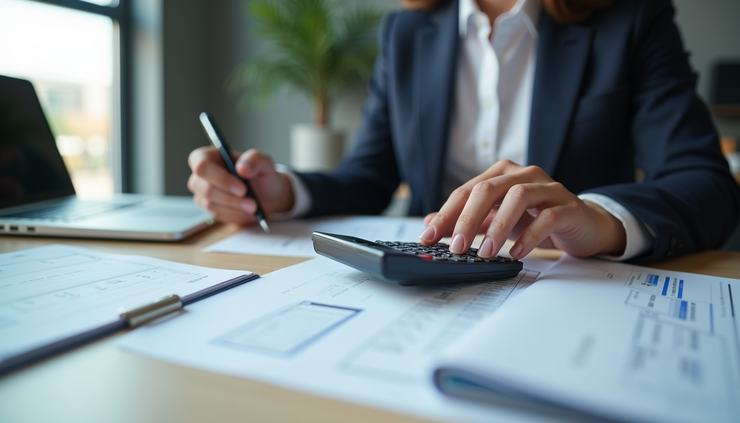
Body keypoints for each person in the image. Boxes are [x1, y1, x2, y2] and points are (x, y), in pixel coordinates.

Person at [188, 0, 740, 263]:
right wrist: (282, 190)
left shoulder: (632, 21)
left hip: (568, 286)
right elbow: (368, 176)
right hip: (436, 282)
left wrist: (599, 217)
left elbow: (707, 184)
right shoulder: (407, 32)